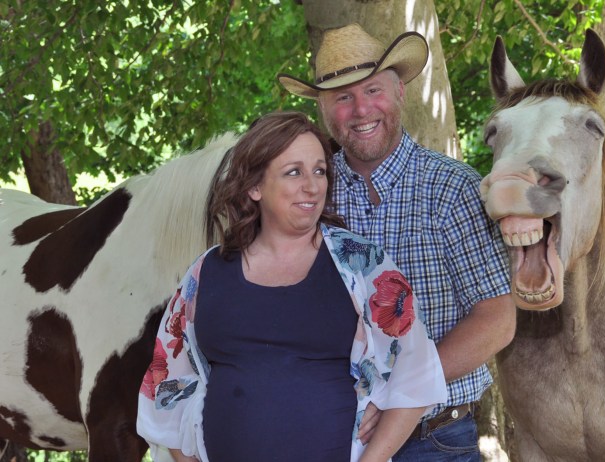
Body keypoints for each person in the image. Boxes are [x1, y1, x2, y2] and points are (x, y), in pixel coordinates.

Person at [136, 111, 447, 462]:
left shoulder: (363, 265)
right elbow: (166, 390)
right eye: (293, 172)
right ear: (255, 186)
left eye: (319, 170)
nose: (312, 186)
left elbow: (416, 372)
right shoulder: (205, 273)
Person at [278, 24, 517, 461]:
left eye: (372, 90)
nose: (360, 109)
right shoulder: (310, 194)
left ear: (401, 91)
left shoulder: (452, 189)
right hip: (327, 436)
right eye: (342, 97)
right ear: (324, 110)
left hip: (436, 440)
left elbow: (497, 319)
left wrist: (397, 392)